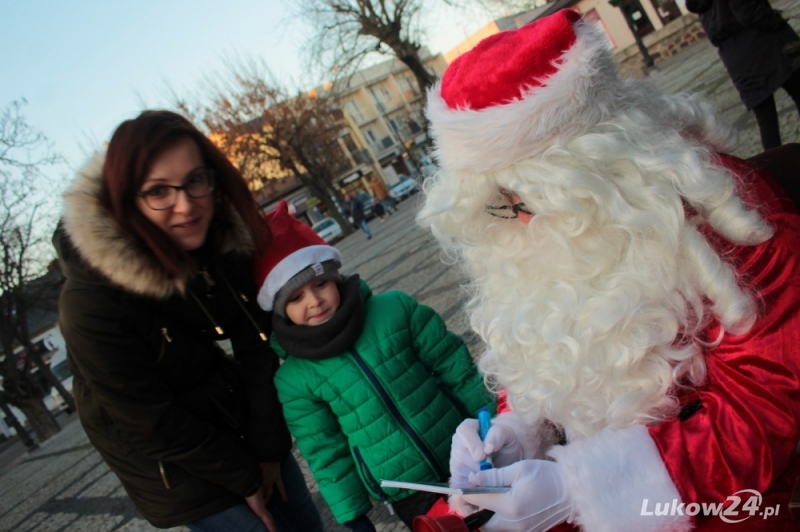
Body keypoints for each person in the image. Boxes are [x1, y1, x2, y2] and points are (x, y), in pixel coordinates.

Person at [418, 9, 800, 532]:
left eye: (524, 195)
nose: (513, 219)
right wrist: (522, 427)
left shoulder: (729, 219)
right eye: (493, 205)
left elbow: (763, 415)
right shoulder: (520, 225)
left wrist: (581, 490)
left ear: (595, 160)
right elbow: (553, 342)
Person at [54, 111, 326, 532]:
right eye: (158, 191)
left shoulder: (219, 234)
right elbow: (147, 418)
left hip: (231, 410)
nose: (185, 205)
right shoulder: (89, 303)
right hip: (173, 464)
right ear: (126, 199)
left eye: (196, 180)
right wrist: (244, 476)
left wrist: (269, 449)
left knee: (305, 523)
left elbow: (256, 344)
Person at [252, 201, 496, 531]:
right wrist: (352, 515)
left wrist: (493, 420)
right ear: (280, 311)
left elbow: (455, 367)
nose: (314, 301)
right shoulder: (295, 379)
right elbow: (325, 451)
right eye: (295, 299)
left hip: (467, 450)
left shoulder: (394, 309)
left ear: (335, 278)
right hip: (409, 490)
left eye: (320, 284)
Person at [686, 0, 800, 150]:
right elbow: (747, 12)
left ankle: (774, 166)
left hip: (737, 58)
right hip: (766, 45)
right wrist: (775, 20)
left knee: (766, 119)